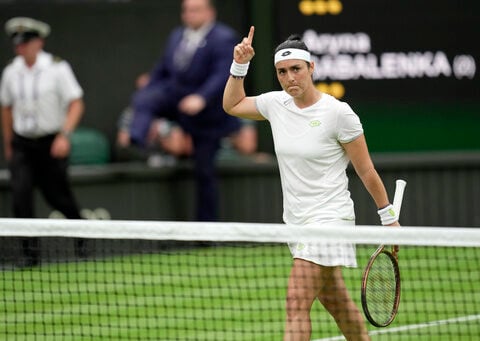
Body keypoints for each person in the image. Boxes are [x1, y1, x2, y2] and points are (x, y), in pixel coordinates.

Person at [223, 26, 400, 341]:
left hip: (330, 219)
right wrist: (240, 66)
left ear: (311, 68)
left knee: (296, 301)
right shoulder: (276, 105)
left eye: (296, 69)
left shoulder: (338, 114)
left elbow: (366, 169)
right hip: (297, 221)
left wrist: (388, 217)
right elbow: (233, 105)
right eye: (282, 72)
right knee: (337, 304)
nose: (289, 77)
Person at [126, 0, 244, 221]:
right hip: (178, 101)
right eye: (187, 10)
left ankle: (206, 231)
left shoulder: (223, 37)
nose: (189, 14)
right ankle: (138, 138)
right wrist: (150, 83)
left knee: (204, 172)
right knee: (144, 98)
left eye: (195, 10)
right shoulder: (177, 35)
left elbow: (222, 75)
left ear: (210, 12)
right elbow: (163, 68)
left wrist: (201, 97)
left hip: (208, 116)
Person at [0, 17, 84, 265]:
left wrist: (64, 135)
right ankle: (30, 255)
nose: (20, 47)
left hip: (51, 143)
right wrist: (9, 142)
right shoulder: (10, 72)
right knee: (20, 197)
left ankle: (83, 237)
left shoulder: (57, 68)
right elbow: (6, 107)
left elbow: (76, 102)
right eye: (17, 43)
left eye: (25, 42)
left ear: (39, 42)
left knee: (58, 198)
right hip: (22, 144)